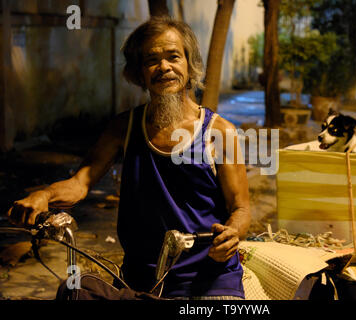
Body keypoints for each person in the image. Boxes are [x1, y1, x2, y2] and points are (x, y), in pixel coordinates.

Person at [7, 17, 251, 300]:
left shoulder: (219, 132)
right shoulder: (124, 127)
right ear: (139, 72)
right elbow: (80, 182)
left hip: (209, 281)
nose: (164, 67)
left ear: (189, 63)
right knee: (72, 292)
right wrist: (44, 194)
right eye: (151, 60)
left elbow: (241, 208)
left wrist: (232, 234)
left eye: (173, 57)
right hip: (141, 283)